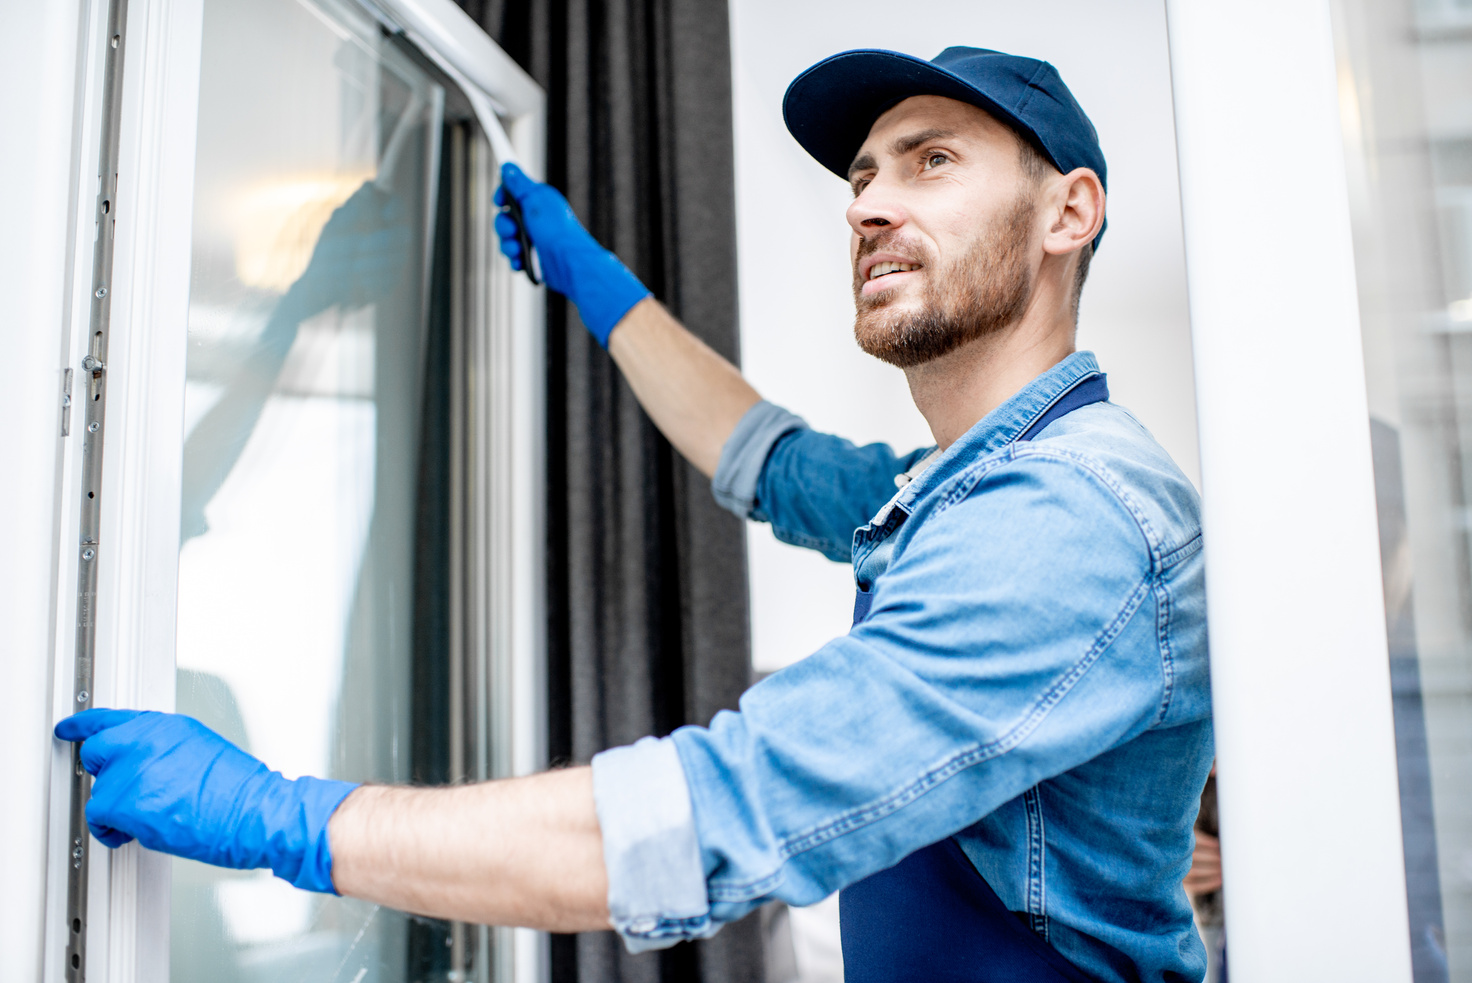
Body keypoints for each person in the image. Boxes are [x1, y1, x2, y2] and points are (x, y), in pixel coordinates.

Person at [56, 47, 1212, 982]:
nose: (868, 206)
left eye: (931, 162)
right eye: (861, 176)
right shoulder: (963, 482)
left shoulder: (1066, 512)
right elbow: (766, 457)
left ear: (1068, 211)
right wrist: (593, 281)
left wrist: (288, 820)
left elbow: (720, 808)